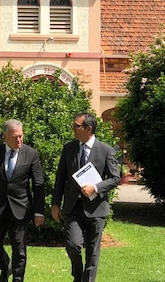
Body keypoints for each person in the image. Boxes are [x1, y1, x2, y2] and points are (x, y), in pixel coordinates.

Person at [51, 113, 120, 282]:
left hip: (96, 209)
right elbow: (61, 178)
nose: (73, 129)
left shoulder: (105, 150)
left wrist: (95, 188)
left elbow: (115, 178)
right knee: (73, 245)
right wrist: (55, 204)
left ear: (89, 129)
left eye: (77, 126)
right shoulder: (69, 148)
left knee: (92, 251)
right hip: (73, 207)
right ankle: (78, 275)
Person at [0, 119, 46, 282]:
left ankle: (17, 279)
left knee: (19, 249)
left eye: (21, 136)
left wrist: (39, 211)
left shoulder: (31, 154)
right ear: (5, 136)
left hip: (21, 208)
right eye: (15, 137)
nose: (19, 140)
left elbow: (38, 184)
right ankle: (5, 265)